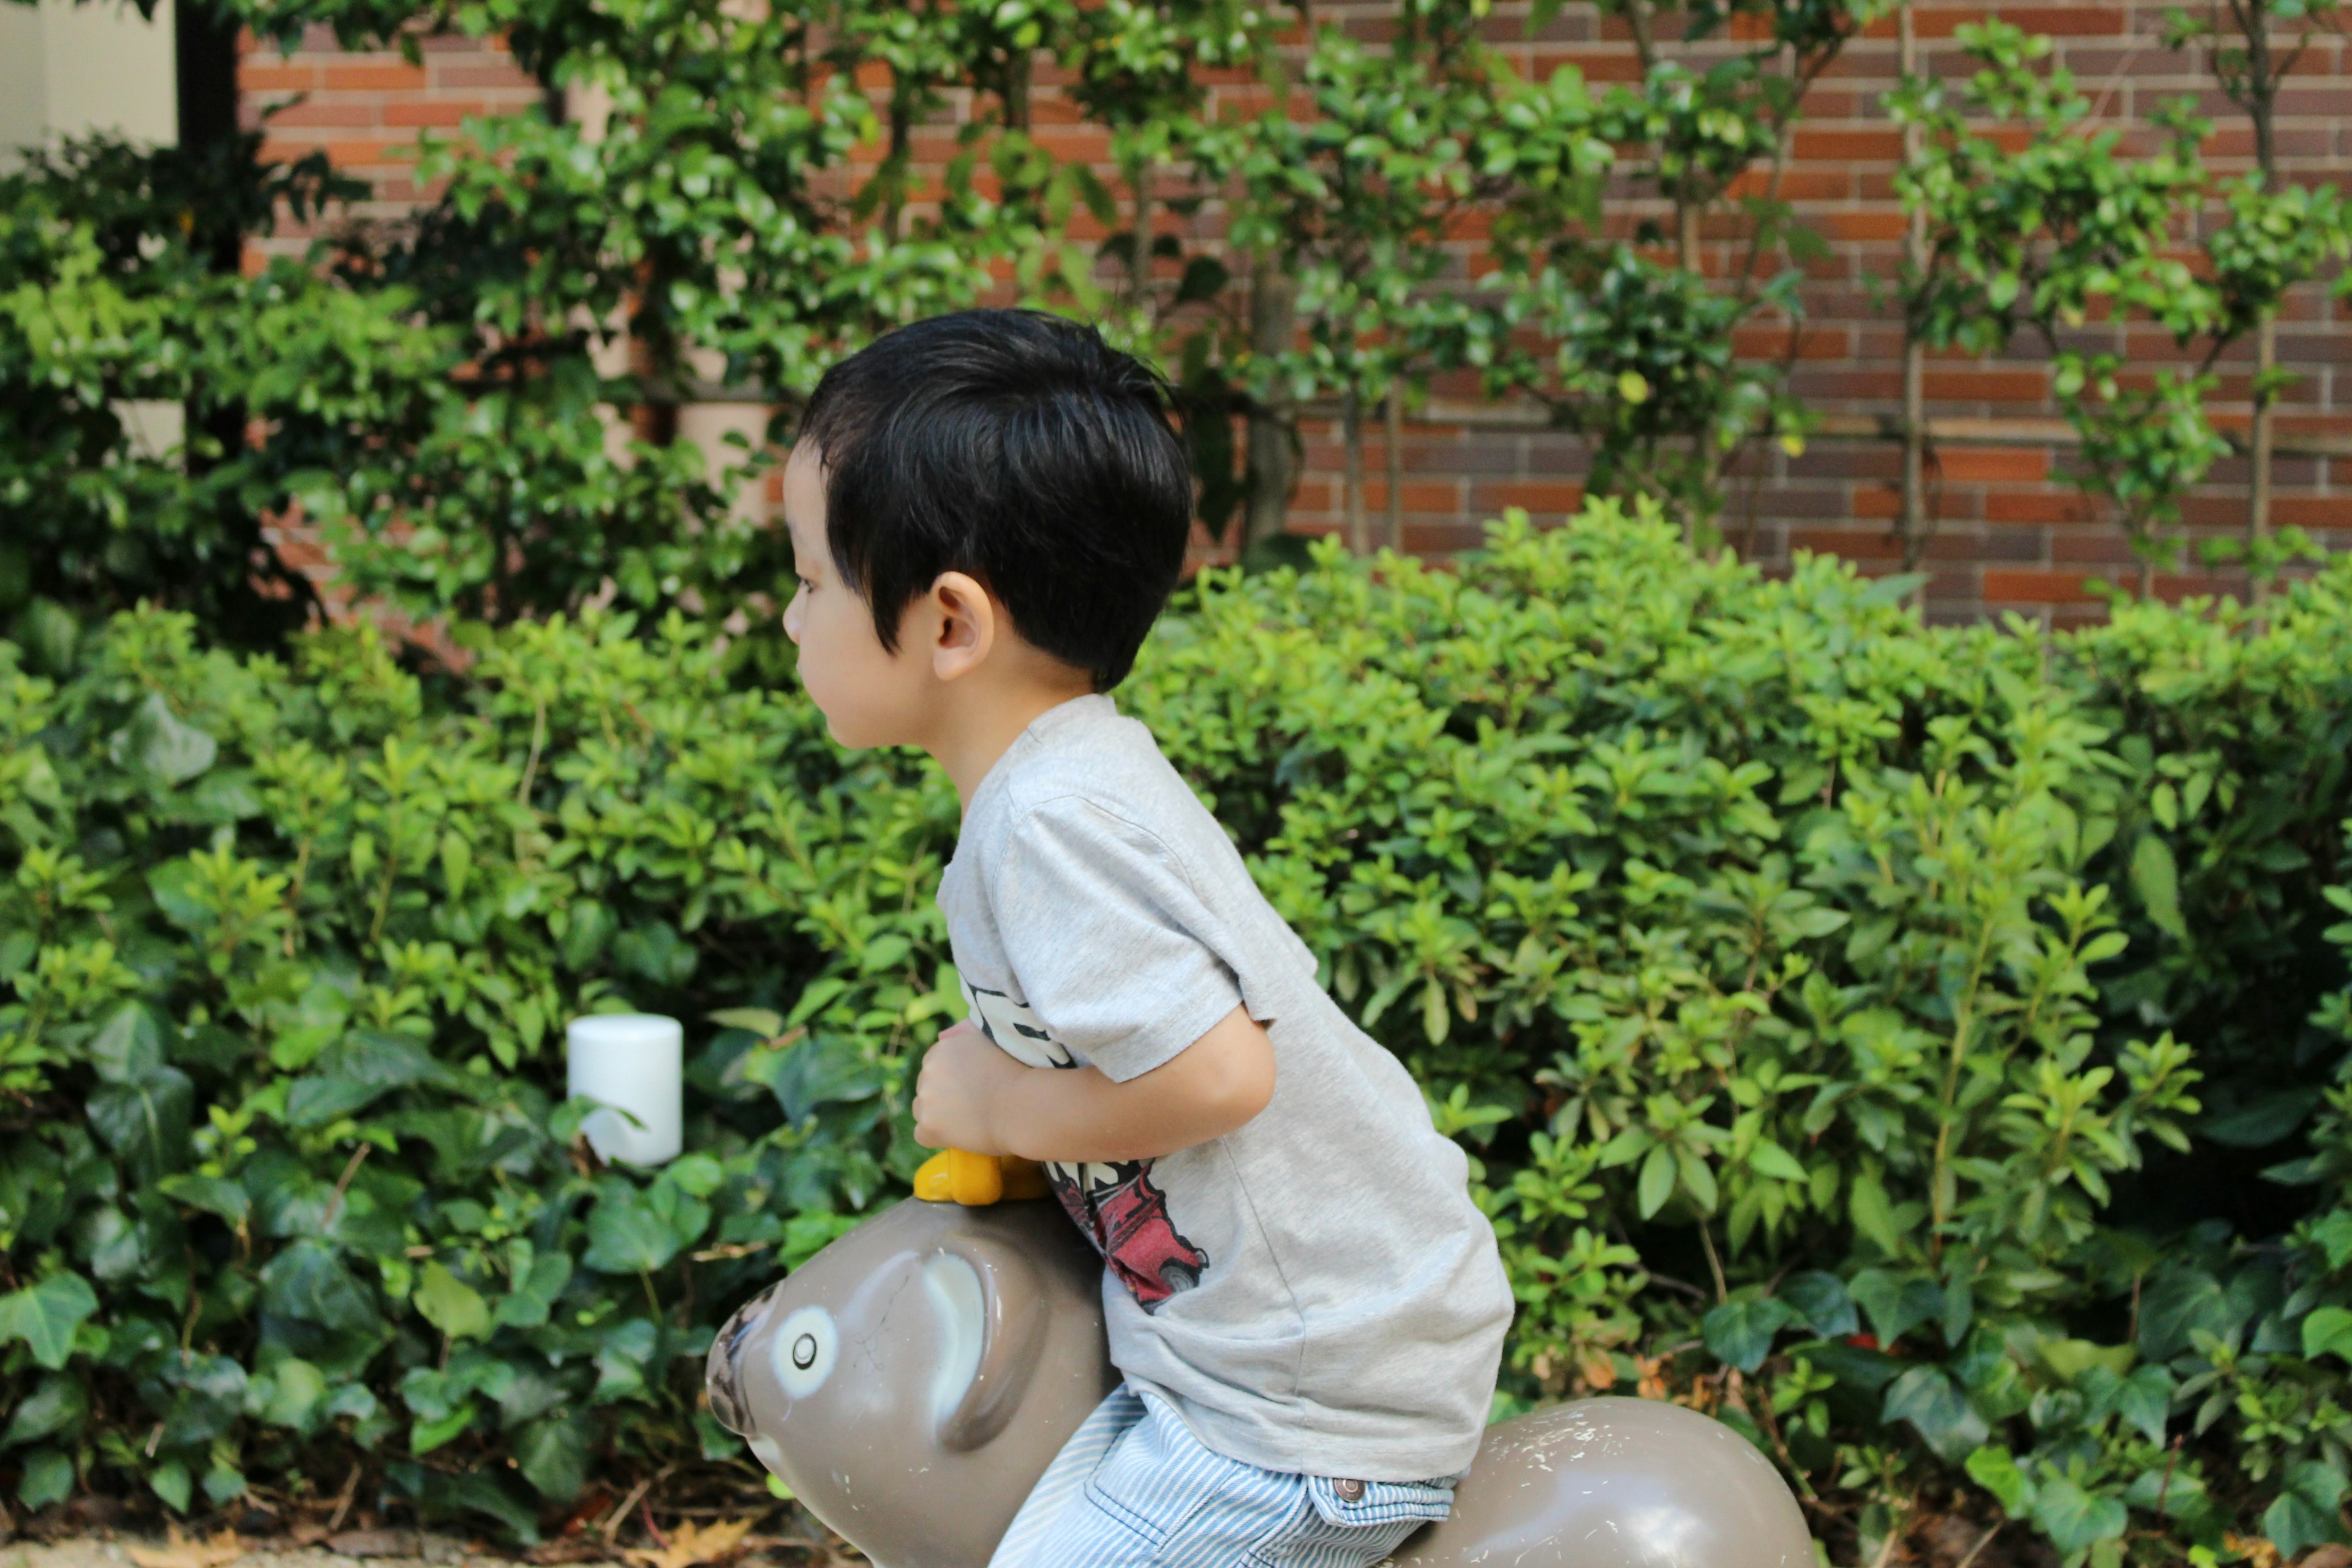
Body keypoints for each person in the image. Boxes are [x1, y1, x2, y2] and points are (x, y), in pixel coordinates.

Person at [779, 308, 1512, 1568]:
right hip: (1253, 1349)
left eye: (809, 581)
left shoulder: (1053, 819)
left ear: (951, 623)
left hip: (1303, 1397)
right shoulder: (1064, 783)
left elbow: (1217, 1076)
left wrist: (1002, 1099)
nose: (792, 620)